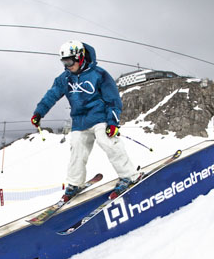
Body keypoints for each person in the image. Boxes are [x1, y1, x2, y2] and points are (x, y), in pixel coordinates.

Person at [31, 40, 141, 201]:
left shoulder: (99, 74)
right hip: (79, 122)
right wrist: (39, 112)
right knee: (77, 149)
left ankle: (129, 176)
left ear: (80, 57)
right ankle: (75, 183)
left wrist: (112, 122)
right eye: (64, 62)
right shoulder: (65, 78)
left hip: (100, 118)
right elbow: (51, 95)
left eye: (69, 61)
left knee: (107, 142)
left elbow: (113, 100)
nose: (67, 66)